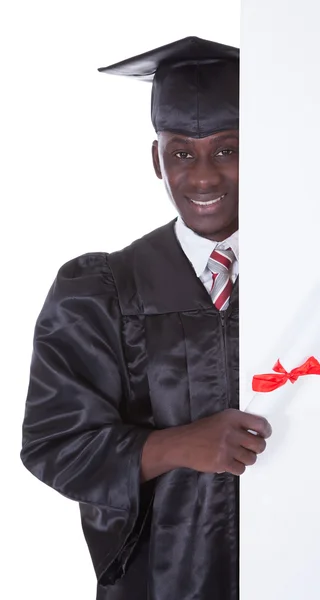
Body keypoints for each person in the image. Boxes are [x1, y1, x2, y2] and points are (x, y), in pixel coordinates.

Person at [20, 36, 272, 600]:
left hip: (310, 567)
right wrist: (179, 446)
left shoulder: (315, 283)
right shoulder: (99, 291)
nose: (204, 177)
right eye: (182, 152)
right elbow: (53, 444)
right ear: (157, 160)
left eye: (229, 150)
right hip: (159, 583)